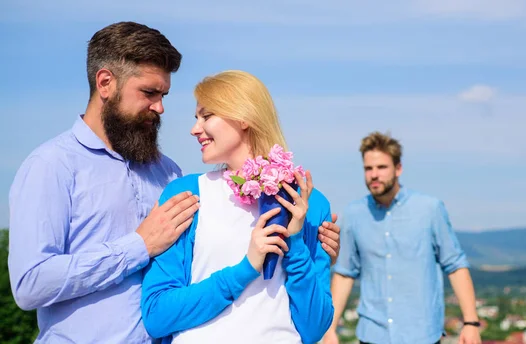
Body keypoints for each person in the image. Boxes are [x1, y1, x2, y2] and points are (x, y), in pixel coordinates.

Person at [8, 22, 340, 344]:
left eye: (164, 94)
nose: (161, 108)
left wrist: (307, 242)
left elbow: (311, 320)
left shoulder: (167, 173)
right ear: (105, 83)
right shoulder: (51, 165)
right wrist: (138, 245)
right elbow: (30, 284)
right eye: (149, 93)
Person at [140, 70, 335, 344]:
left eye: (206, 116)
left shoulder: (310, 203)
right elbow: (158, 315)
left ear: (244, 117)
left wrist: (295, 241)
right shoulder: (186, 195)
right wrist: (246, 268)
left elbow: (314, 328)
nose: (195, 129)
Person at [322, 132, 481, 344]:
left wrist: (471, 323)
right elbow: (344, 273)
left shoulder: (429, 209)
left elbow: (455, 265)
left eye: (382, 167)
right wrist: (330, 328)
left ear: (398, 168)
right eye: (368, 168)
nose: (374, 175)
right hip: (372, 334)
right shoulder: (353, 214)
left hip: (422, 335)